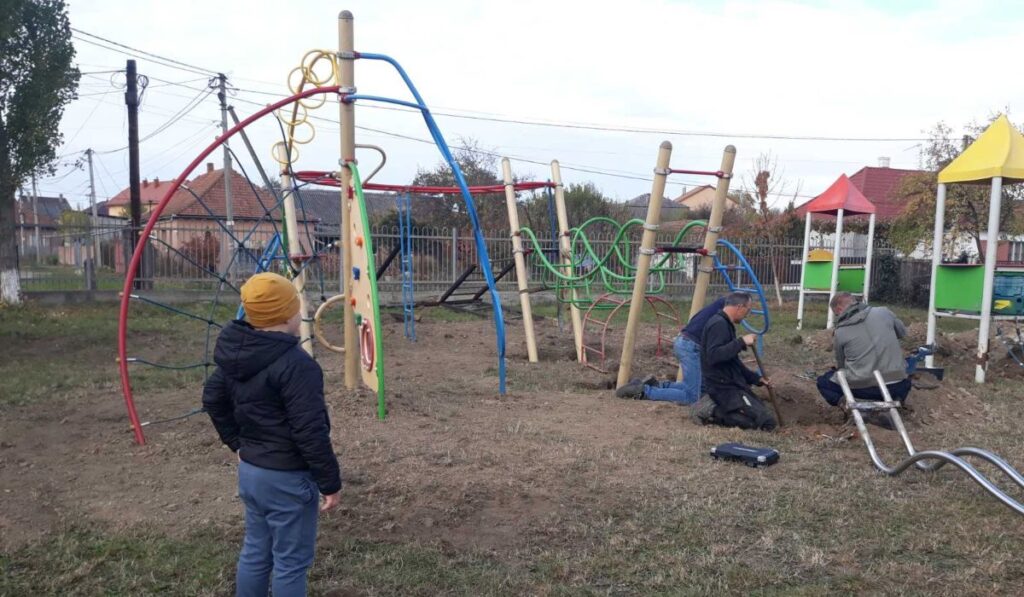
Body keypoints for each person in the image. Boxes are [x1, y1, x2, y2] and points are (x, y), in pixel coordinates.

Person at [203, 272, 342, 596]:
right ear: (289, 314)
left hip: (252, 474)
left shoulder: (236, 356)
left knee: (256, 550)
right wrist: (330, 482)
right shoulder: (297, 366)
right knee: (291, 562)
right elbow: (309, 430)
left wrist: (237, 444)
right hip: (287, 480)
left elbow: (212, 398)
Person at [816, 292, 911, 428]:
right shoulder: (884, 312)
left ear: (839, 309)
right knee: (905, 376)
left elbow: (841, 367)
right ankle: (894, 404)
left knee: (824, 382)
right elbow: (902, 332)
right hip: (897, 385)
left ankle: (855, 408)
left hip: (863, 388)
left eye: (836, 314)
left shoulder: (840, 332)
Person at [614, 295, 727, 404]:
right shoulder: (727, 308)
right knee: (692, 397)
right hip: (690, 347)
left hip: (686, 342)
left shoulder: (721, 306)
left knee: (701, 389)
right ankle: (644, 391)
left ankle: (657, 386)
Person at [695, 291, 776, 431]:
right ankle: (711, 410)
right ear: (739, 307)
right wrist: (741, 342)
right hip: (722, 387)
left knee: (763, 415)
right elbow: (713, 356)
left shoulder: (726, 324)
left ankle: (723, 408)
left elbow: (733, 362)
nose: (747, 314)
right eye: (748, 310)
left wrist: (757, 379)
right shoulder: (718, 324)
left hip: (732, 384)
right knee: (766, 423)